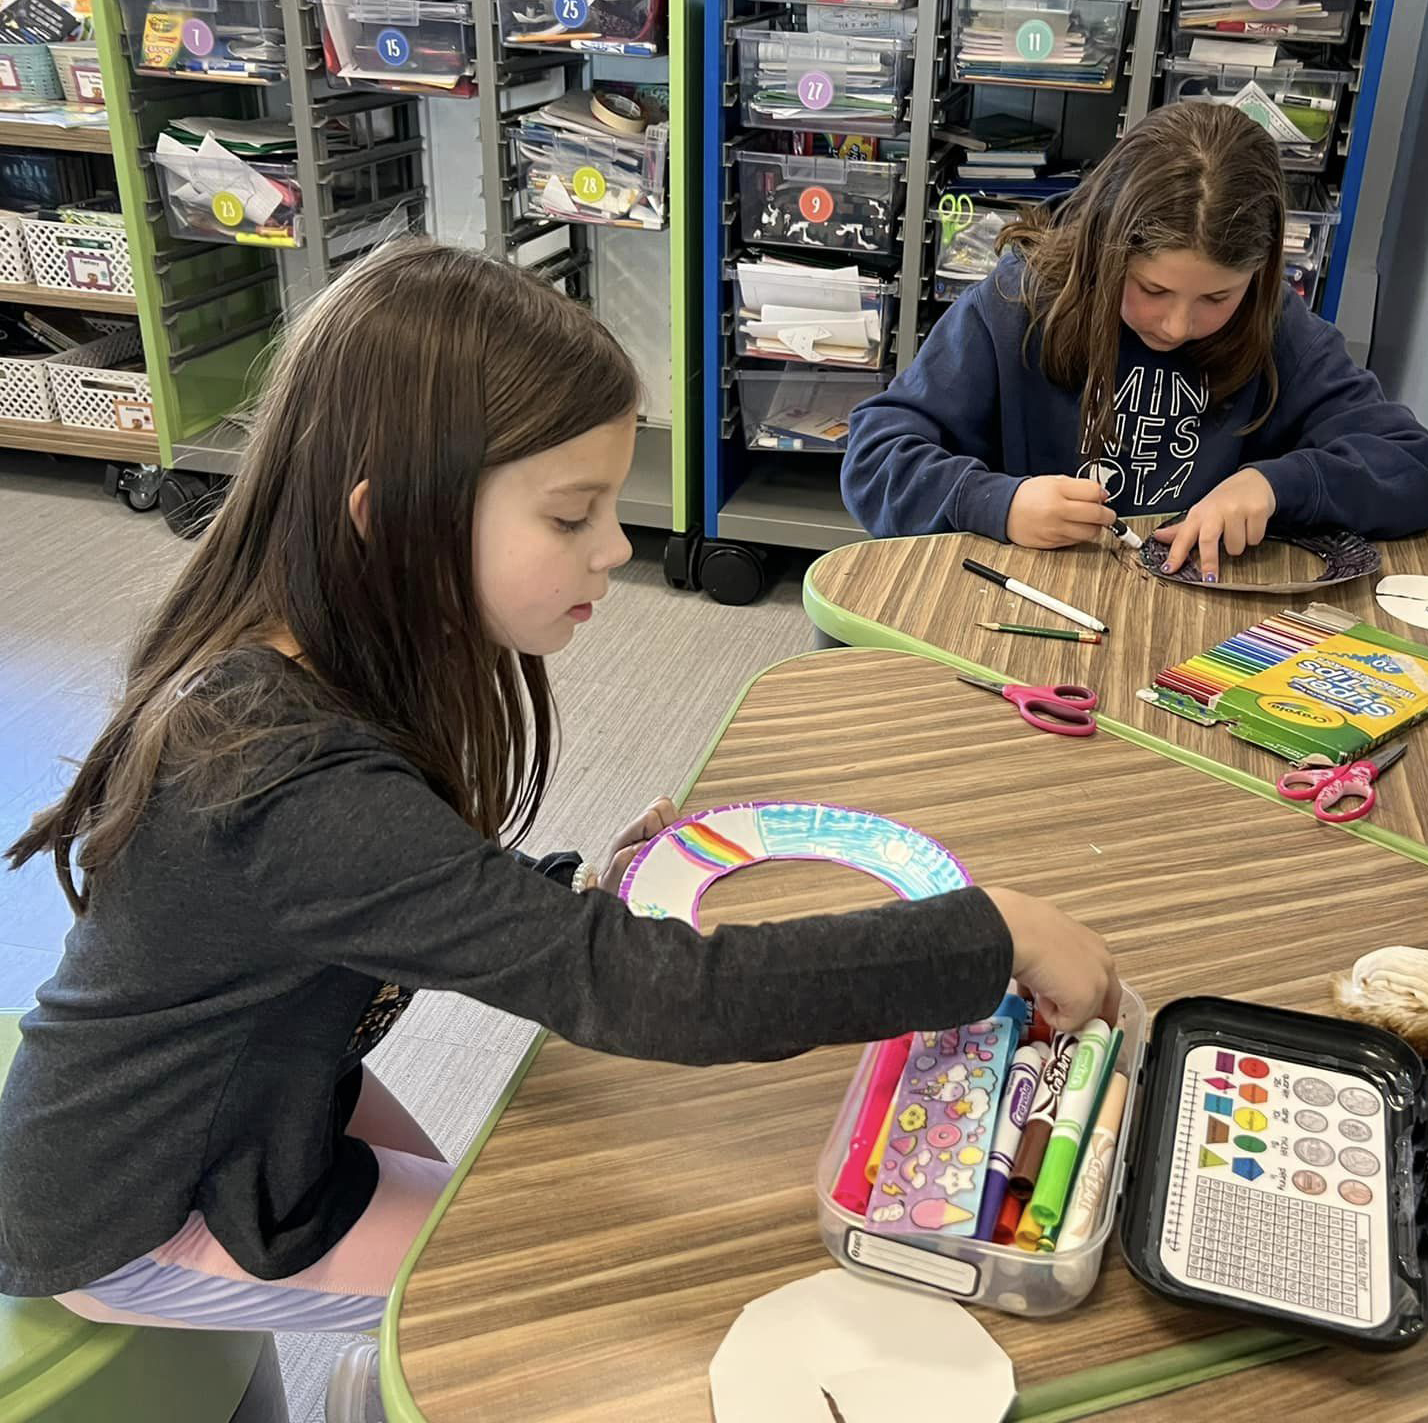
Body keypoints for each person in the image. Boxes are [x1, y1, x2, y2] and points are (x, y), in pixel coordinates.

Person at [0, 239, 1119, 1342]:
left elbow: (398, 893)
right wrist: (987, 937)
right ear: (390, 520)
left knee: (514, 1223)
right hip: (137, 1211)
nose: (617, 547)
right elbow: (642, 993)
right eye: (570, 514)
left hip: (267, 1105)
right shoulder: (282, 775)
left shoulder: (318, 664)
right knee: (539, 1312)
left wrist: (553, 892)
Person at [841, 103, 1428, 582]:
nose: (1176, 326)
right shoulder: (1018, 303)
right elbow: (873, 456)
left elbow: (1417, 468)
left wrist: (1274, 485)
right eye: (1152, 288)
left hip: (1195, 625)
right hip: (1022, 609)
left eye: (1217, 298)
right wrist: (996, 503)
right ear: (1106, 251)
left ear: (1260, 276)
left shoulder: (1278, 333)